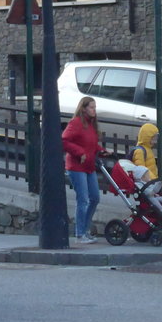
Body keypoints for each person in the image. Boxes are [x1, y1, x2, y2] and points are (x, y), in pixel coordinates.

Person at [63, 96, 107, 243]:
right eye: (91, 107)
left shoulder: (91, 124)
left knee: (94, 198)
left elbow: (91, 144)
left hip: (88, 165)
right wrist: (79, 152)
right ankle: (80, 233)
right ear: (84, 108)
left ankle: (85, 229)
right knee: (83, 199)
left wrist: (101, 150)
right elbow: (64, 140)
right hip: (76, 166)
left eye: (95, 107)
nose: (94, 110)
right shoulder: (76, 123)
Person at [131, 124, 162, 219]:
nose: (155, 141)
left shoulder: (148, 150)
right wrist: (153, 180)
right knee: (153, 198)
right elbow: (141, 169)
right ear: (147, 138)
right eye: (153, 138)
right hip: (145, 183)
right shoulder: (140, 151)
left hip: (149, 182)